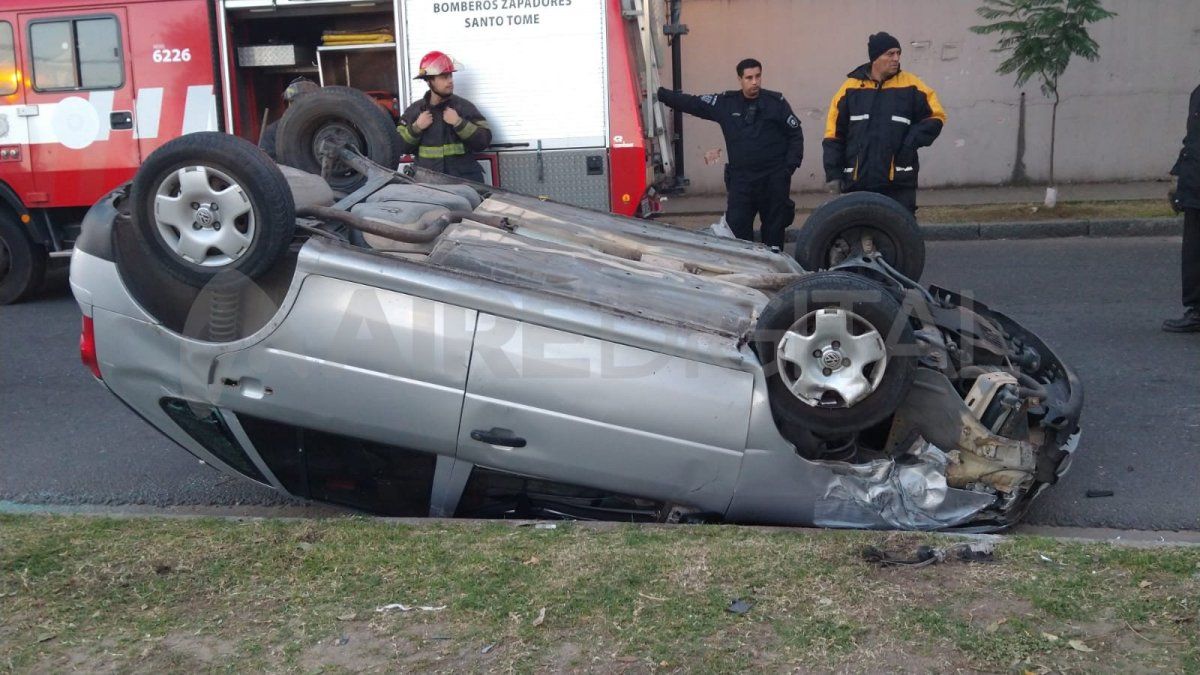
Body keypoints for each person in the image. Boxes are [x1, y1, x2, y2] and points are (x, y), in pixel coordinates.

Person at [656, 58, 803, 248]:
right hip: (742, 181)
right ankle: (744, 274)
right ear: (740, 79)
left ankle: (776, 274)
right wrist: (660, 94)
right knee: (738, 235)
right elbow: (693, 103)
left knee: (774, 233)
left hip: (773, 180)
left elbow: (795, 134)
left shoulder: (776, 103)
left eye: (758, 76)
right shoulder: (727, 103)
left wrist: (788, 168)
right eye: (749, 77)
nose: (754, 82)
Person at [823, 32, 946, 213]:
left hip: (898, 182)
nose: (896, 58)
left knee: (898, 236)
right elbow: (834, 135)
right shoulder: (850, 88)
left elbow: (936, 117)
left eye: (898, 53)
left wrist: (909, 143)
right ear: (875, 58)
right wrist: (833, 175)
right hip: (858, 181)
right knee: (858, 233)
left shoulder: (912, 85)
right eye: (890, 54)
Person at [397, 51, 492, 182]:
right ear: (429, 81)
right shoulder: (414, 111)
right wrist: (416, 127)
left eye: (450, 76)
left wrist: (459, 123)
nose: (450, 81)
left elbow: (483, 141)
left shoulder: (464, 107)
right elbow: (399, 146)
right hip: (428, 185)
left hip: (464, 184)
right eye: (443, 77)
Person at [1164, 81, 1200, 332]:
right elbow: (1192, 140)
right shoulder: (1198, 93)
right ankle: (1197, 310)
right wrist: (1179, 174)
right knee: (1194, 253)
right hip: (1195, 184)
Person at [259, 76, 319, 160]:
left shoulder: (326, 125)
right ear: (289, 104)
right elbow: (268, 163)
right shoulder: (274, 131)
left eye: (306, 102)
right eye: (295, 102)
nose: (301, 107)